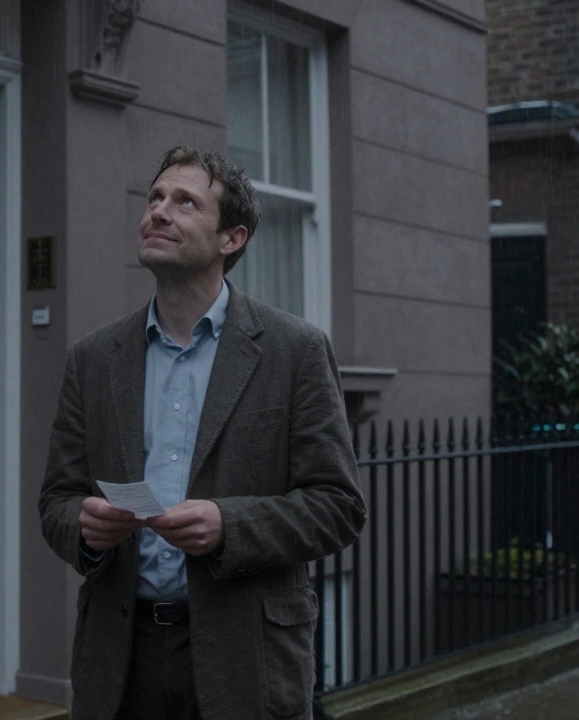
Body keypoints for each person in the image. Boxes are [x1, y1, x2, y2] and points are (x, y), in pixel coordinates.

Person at [38, 146, 367, 720]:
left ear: (230, 239)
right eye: (155, 198)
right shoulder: (92, 358)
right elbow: (56, 500)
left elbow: (338, 506)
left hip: (244, 656)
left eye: (185, 202)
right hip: (120, 658)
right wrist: (85, 529)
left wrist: (229, 525)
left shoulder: (295, 351)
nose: (159, 212)